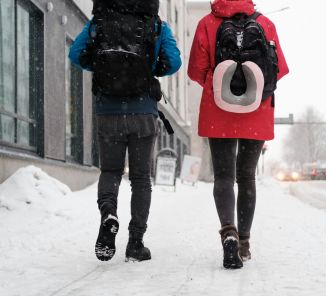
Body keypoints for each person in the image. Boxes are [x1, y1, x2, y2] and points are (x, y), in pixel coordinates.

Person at [69, 0, 181, 262]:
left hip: (108, 110)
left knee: (110, 171)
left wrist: (101, 67)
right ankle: (135, 242)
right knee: (141, 179)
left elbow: (76, 54)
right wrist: (149, 70)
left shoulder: (99, 21)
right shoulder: (155, 23)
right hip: (143, 112)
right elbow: (174, 62)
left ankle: (109, 213)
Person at [188, 0, 289, 269]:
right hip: (256, 109)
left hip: (218, 108)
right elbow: (278, 70)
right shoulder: (266, 24)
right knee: (246, 177)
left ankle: (228, 232)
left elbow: (195, 71)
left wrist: (222, 87)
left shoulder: (207, 24)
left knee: (223, 176)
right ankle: (243, 242)